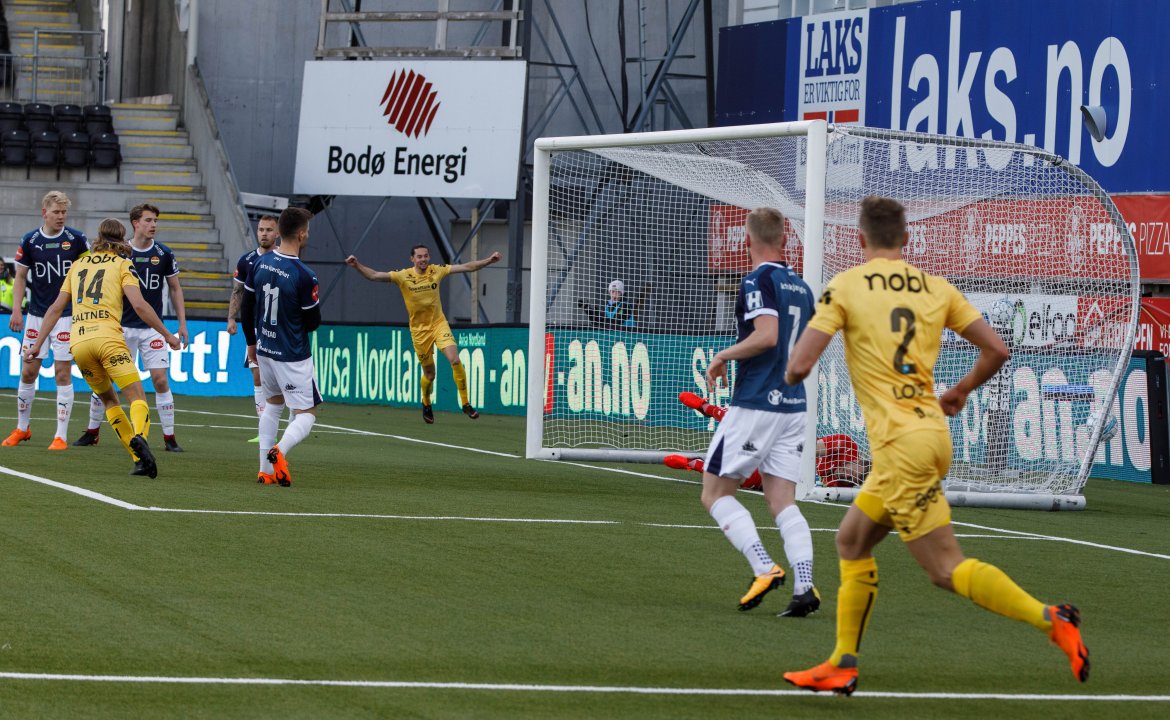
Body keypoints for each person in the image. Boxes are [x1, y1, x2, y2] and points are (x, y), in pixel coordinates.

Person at [782, 196, 1088, 695]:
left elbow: (799, 367)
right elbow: (998, 349)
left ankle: (1052, 618)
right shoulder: (936, 288)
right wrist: (961, 389)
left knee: (945, 569)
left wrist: (795, 359)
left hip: (901, 446)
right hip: (928, 432)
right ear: (906, 240)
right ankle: (842, 660)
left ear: (860, 240)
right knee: (851, 540)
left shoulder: (847, 286)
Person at [697, 207, 820, 618]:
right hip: (793, 404)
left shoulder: (757, 280)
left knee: (714, 493)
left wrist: (723, 356)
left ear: (747, 241)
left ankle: (764, 567)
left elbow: (767, 336)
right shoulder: (802, 287)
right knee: (783, 500)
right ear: (786, 240)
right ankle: (805, 586)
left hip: (757, 404)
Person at [25, 218, 180, 477]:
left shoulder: (77, 265)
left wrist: (36, 345)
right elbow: (140, 306)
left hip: (80, 343)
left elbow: (54, 308)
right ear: (122, 240)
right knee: (137, 397)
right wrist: (168, 335)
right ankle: (139, 437)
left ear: (98, 238)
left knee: (109, 399)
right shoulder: (123, 264)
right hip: (108, 339)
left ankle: (140, 461)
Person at [74, 204, 189, 451]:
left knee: (160, 380)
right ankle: (92, 430)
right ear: (135, 223)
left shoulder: (164, 253)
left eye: (155, 220)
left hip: (151, 328)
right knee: (106, 383)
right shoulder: (120, 253)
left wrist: (181, 324)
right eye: (148, 220)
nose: (153, 225)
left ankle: (169, 438)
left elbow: (176, 288)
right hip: (120, 328)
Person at [345, 245, 502, 424]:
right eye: (419, 256)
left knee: (455, 360)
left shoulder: (437, 271)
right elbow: (374, 275)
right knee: (430, 375)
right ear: (412, 259)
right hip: (419, 332)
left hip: (438, 325)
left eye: (426, 256)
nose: (423, 259)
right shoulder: (403, 276)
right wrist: (357, 265)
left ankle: (465, 403)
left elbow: (467, 266)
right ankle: (426, 403)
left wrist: (489, 261)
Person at [242, 207, 321, 486]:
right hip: (292, 354)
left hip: (264, 348)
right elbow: (312, 322)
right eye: (307, 230)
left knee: (273, 405)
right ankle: (280, 451)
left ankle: (265, 471)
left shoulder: (259, 264)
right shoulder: (304, 274)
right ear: (300, 234)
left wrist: (251, 343)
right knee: (306, 414)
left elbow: (246, 306)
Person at [4, 191, 88, 450]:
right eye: (56, 212)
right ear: (45, 213)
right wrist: (17, 310)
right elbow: (20, 277)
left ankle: (60, 435)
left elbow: (87, 273)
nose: (61, 217)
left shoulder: (76, 240)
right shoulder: (30, 240)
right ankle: (22, 428)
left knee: (62, 372)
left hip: (66, 316)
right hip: (37, 316)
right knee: (28, 371)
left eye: (64, 212)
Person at [227, 215, 279, 419]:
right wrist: (231, 317)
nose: (264, 233)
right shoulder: (247, 260)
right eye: (261, 229)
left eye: (268, 230)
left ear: (278, 233)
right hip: (256, 324)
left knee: (278, 377)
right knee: (257, 374)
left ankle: (290, 418)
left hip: (278, 325)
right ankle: (263, 423)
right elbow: (237, 291)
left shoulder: (284, 259)